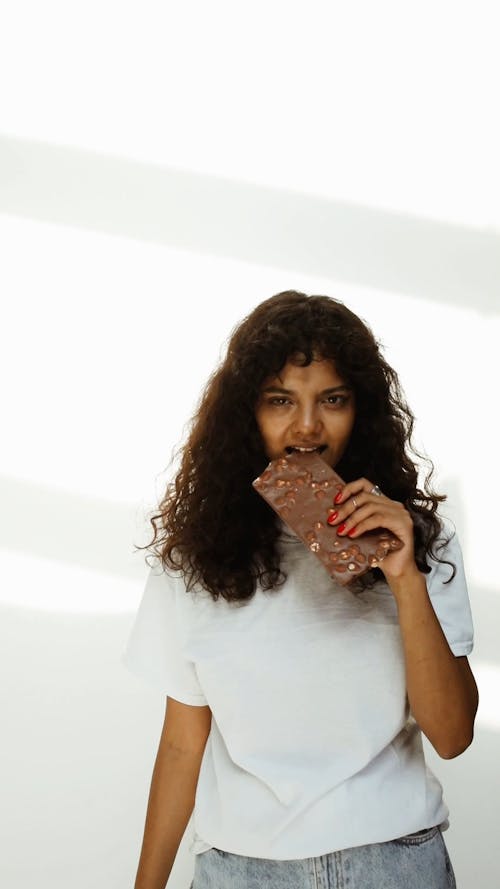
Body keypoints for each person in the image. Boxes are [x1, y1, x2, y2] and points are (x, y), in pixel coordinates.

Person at [122, 290, 478, 889]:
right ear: (246, 414)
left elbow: (453, 735)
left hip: (392, 861)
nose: (307, 425)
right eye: (280, 400)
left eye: (332, 400)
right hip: (241, 868)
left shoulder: (420, 542)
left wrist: (403, 578)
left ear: (359, 411)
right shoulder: (194, 560)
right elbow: (184, 743)